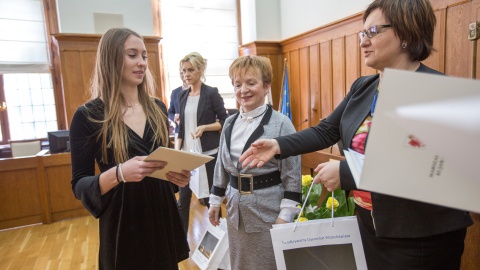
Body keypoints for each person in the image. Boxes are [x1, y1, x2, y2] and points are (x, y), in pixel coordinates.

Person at [239, 1, 473, 269]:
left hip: (421, 236)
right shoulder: (364, 87)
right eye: (363, 33)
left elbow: (423, 167)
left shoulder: (437, 91)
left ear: (407, 34)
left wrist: (346, 173)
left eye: (373, 31)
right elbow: (327, 129)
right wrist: (278, 145)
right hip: (369, 227)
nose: (363, 41)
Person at [69, 28, 191, 270]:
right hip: (123, 222)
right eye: (132, 55)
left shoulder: (157, 107)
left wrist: (176, 178)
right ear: (111, 59)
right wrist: (119, 173)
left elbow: (161, 165)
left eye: (144, 56)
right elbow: (79, 184)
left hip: (160, 216)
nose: (142, 63)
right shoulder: (88, 115)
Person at [208, 55, 301, 269]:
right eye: (238, 84)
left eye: (251, 83)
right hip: (235, 211)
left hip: (268, 212)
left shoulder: (281, 124)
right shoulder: (229, 123)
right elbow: (222, 166)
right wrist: (215, 201)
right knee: (239, 263)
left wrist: (285, 216)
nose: (243, 90)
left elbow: (292, 174)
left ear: (266, 86)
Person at [177, 52, 228, 234]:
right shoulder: (182, 96)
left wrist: (204, 127)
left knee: (210, 200)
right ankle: (180, 243)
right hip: (186, 155)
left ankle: (221, 237)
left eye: (190, 70)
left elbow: (224, 121)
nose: (186, 74)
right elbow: (181, 127)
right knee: (182, 201)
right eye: (184, 71)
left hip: (207, 155)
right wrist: (177, 153)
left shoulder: (211, 93)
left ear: (201, 69)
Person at [168, 71, 188, 149]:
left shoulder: (201, 91)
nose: (184, 75)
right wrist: (175, 118)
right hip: (179, 131)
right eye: (181, 72)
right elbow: (170, 111)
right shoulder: (175, 92)